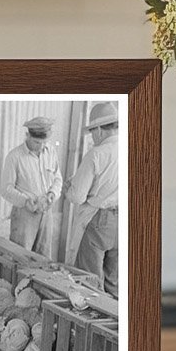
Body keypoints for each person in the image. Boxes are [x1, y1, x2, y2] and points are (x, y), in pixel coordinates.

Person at [65, 102, 119, 298]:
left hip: (99, 221)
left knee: (89, 282)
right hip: (123, 220)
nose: (93, 137)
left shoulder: (97, 154)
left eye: (93, 132)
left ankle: (90, 327)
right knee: (114, 282)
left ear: (99, 130)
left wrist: (69, 188)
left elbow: (78, 196)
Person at [0, 115, 63, 258]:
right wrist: (25, 201)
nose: (40, 146)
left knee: (43, 256)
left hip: (46, 212)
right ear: (27, 135)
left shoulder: (51, 151)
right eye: (36, 142)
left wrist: (52, 194)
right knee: (21, 257)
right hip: (24, 214)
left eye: (44, 142)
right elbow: (5, 189)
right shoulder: (15, 156)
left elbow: (58, 179)